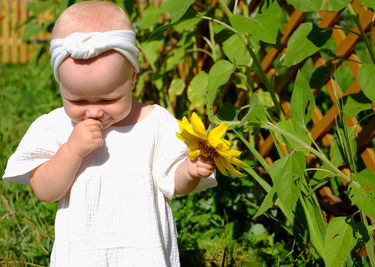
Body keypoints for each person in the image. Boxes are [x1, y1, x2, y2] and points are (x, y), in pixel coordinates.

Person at [2, 1, 217, 266]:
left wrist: (189, 171)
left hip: (144, 252)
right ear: (61, 85)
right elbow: (45, 191)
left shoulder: (154, 124)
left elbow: (173, 185)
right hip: (81, 254)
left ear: (132, 79)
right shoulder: (56, 127)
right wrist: (72, 151)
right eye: (78, 101)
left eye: (107, 100)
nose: (93, 112)